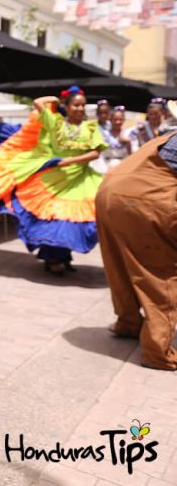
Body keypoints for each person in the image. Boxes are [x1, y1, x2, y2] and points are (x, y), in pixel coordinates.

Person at [0, 88, 107, 275]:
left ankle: (63, 257)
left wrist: (70, 161)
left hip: (79, 179)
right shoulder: (55, 122)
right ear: (68, 107)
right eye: (76, 105)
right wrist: (55, 99)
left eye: (82, 105)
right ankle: (53, 258)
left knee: (73, 221)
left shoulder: (91, 127)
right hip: (53, 179)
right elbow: (38, 102)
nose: (80, 108)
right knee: (54, 219)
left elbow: (96, 152)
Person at [96, 128, 177, 370]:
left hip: (110, 191)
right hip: (144, 200)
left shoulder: (171, 135)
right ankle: (157, 352)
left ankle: (128, 322)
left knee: (119, 265)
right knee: (158, 274)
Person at [97, 105, 132, 172]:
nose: (117, 122)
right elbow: (100, 154)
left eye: (120, 119)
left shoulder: (127, 134)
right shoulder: (104, 134)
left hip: (122, 167)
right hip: (105, 166)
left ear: (124, 120)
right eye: (115, 119)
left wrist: (128, 142)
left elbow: (131, 156)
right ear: (110, 120)